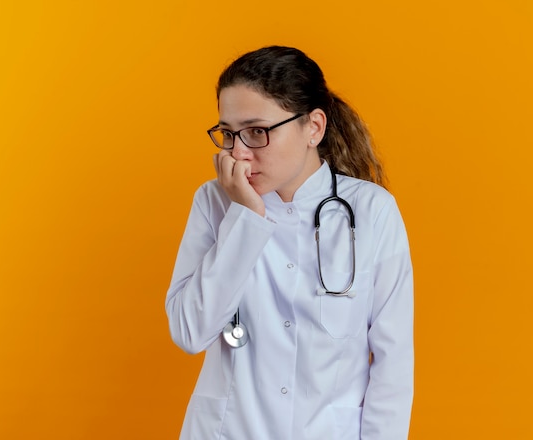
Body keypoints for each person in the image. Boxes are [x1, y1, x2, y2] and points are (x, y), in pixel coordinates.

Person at [165, 46, 414, 439]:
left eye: (256, 132)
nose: (238, 153)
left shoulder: (372, 212)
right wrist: (246, 217)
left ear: (313, 127)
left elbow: (393, 363)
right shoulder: (213, 202)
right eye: (228, 134)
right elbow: (189, 332)